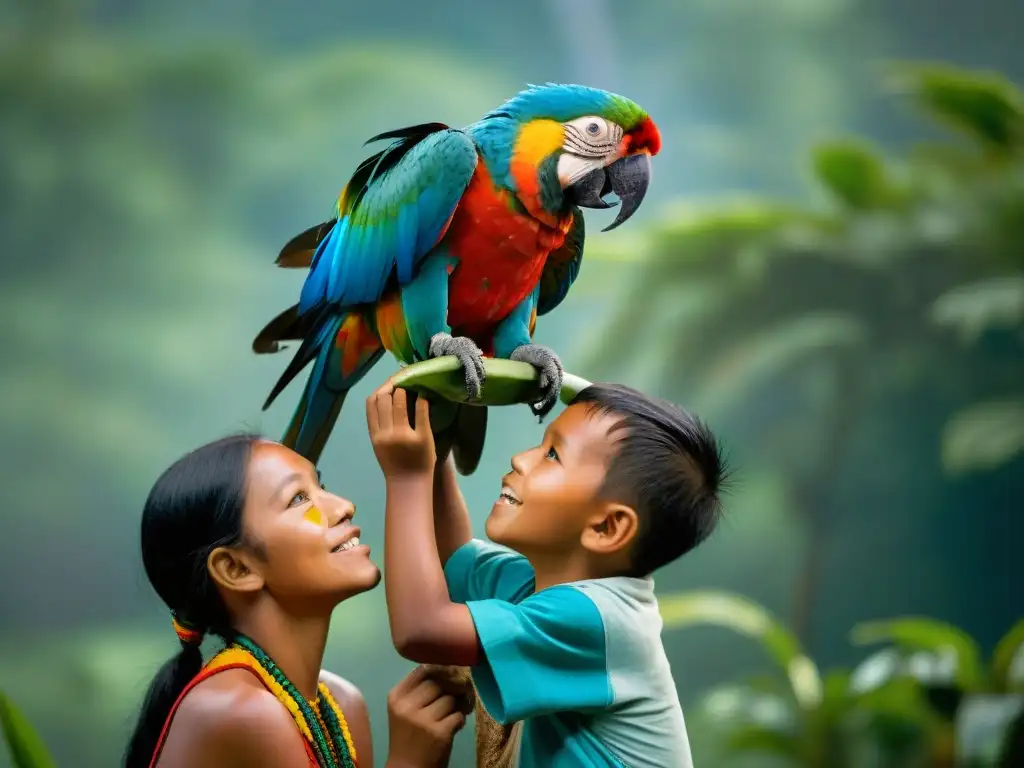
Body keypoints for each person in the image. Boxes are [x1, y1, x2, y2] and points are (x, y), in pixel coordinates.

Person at [366, 380, 728, 768]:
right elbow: (453, 559)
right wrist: (435, 451)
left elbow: (421, 629)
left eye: (552, 454)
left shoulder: (599, 619)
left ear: (606, 527)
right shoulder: (534, 587)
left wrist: (406, 477)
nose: (521, 459)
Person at [124, 433, 472, 768]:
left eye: (319, 486)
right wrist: (410, 761)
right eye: (298, 499)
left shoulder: (340, 703)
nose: (343, 506)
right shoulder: (243, 710)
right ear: (236, 568)